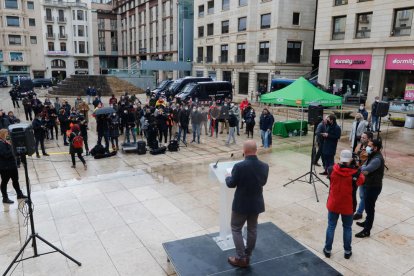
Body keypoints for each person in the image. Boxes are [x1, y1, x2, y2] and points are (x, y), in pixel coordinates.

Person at [225, 140, 269, 267]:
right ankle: (248, 255)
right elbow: (263, 183)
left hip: (241, 204)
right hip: (256, 203)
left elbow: (231, 184)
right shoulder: (264, 166)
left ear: (244, 151)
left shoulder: (239, 166)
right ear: (256, 150)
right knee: (252, 229)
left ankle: (240, 257)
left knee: (236, 228)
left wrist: (228, 176)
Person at [323, 150, 365, 260]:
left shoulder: (331, 169)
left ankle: (327, 250)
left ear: (340, 158)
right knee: (347, 228)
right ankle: (347, 251)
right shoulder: (356, 173)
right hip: (348, 206)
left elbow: (330, 177)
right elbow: (362, 180)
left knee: (331, 226)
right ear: (351, 159)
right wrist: (356, 167)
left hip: (333, 204)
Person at [355, 139, 384, 238]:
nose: (367, 147)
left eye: (369, 146)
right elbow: (364, 165)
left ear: (375, 148)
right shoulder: (372, 155)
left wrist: (358, 168)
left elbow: (366, 169)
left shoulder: (377, 159)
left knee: (370, 209)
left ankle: (367, 231)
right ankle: (366, 222)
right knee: (368, 207)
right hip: (369, 184)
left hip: (373, 187)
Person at [0, 129, 28, 204]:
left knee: (15, 180)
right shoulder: (1, 144)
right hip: (5, 167)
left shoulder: (6, 142)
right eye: (6, 134)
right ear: (3, 135)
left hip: (12, 165)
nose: (8, 135)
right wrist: (11, 146)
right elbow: (6, 154)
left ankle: (19, 194)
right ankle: (5, 198)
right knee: (4, 182)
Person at [353, 131, 374, 220]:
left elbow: (363, 157)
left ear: (369, 139)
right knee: (362, 195)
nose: (361, 139)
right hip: (358, 171)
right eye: (361, 137)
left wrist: (360, 154)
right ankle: (362, 209)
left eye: (364, 138)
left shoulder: (371, 148)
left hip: (366, 173)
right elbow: (355, 154)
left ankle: (359, 212)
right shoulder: (359, 145)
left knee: (363, 195)